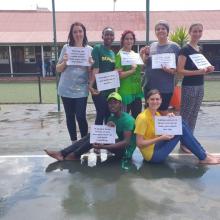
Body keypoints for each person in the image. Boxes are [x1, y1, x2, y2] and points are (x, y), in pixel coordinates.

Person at [134, 89, 220, 164]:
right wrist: (160, 138)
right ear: (147, 101)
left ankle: (203, 153)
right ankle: (204, 157)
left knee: (179, 122)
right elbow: (139, 144)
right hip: (152, 156)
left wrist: (170, 120)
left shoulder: (156, 114)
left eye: (157, 99)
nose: (155, 101)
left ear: (161, 100)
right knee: (180, 128)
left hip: (156, 146)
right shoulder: (142, 118)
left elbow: (161, 133)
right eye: (152, 99)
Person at [44, 92, 136, 162]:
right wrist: (107, 129)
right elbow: (108, 135)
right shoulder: (111, 118)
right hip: (119, 146)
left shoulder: (127, 120)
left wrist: (102, 147)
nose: (112, 105)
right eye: (110, 103)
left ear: (120, 104)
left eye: (115, 103)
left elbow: (126, 143)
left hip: (126, 152)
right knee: (93, 135)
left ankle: (74, 155)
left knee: (94, 138)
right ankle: (63, 153)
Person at [177, 23, 215, 152]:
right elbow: (180, 70)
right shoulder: (184, 50)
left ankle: (189, 140)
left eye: (200, 31)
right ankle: (183, 142)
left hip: (200, 85)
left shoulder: (199, 49)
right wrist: (198, 72)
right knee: (186, 115)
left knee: (194, 115)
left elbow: (201, 68)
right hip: (189, 86)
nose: (197, 33)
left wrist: (208, 69)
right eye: (195, 31)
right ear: (190, 32)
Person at [56, 22, 92, 143]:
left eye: (80, 31)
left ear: (84, 33)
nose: (78, 34)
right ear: (72, 34)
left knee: (81, 116)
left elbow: (91, 72)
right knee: (70, 116)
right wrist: (65, 62)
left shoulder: (89, 50)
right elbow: (58, 69)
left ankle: (83, 142)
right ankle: (73, 142)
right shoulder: (66, 48)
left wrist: (90, 64)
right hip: (65, 89)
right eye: (75, 31)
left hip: (81, 89)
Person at [140, 20, 180, 115]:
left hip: (165, 88)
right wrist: (143, 55)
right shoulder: (152, 45)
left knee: (162, 113)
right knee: (149, 112)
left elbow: (179, 68)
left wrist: (171, 71)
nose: (160, 31)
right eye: (158, 29)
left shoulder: (175, 47)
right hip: (149, 86)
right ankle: (150, 131)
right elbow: (145, 64)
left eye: (163, 29)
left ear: (167, 31)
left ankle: (161, 130)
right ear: (155, 32)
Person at [89, 27, 116, 125]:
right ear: (102, 36)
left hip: (110, 89)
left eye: (111, 35)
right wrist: (91, 85)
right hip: (98, 88)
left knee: (108, 114)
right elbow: (95, 68)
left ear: (114, 37)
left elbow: (114, 71)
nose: (109, 36)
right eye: (107, 34)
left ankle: (107, 139)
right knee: (100, 113)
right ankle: (97, 140)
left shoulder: (113, 53)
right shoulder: (97, 48)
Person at [115, 30, 144, 118]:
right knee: (125, 118)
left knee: (137, 117)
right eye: (127, 39)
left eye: (131, 39)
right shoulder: (120, 55)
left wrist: (141, 55)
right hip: (125, 92)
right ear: (123, 41)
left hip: (137, 91)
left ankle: (135, 132)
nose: (129, 41)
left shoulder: (134, 54)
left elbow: (140, 70)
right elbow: (118, 75)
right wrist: (131, 71)